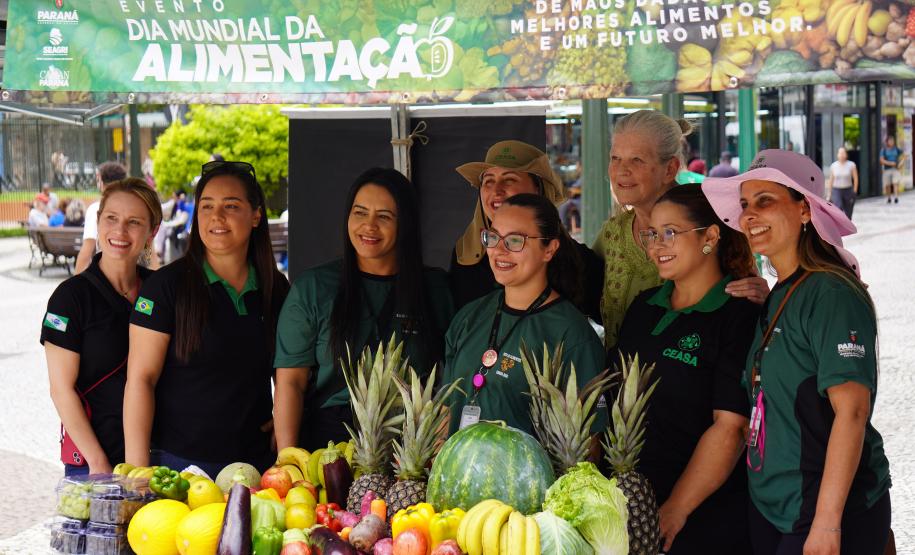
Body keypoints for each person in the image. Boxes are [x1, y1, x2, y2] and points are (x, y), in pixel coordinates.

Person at [703, 150, 892, 555]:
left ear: (805, 209)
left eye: (765, 201)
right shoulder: (780, 293)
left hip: (823, 515)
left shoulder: (831, 294)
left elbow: (853, 411)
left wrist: (827, 524)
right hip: (775, 506)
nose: (749, 215)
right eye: (744, 205)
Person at [614, 184, 758, 554]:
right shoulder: (644, 306)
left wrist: (675, 510)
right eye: (652, 234)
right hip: (628, 508)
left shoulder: (739, 315)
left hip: (701, 518)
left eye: (670, 233)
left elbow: (732, 427)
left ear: (710, 237)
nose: (656, 246)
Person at [124, 161, 289, 477]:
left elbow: (291, 374)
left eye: (231, 206)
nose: (217, 216)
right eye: (207, 206)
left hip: (254, 467)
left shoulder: (275, 287)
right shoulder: (166, 287)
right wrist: (136, 473)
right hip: (178, 468)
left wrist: (286, 419)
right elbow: (140, 380)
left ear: (256, 215)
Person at [273, 168, 453, 450]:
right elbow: (291, 383)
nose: (369, 226)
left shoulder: (436, 289)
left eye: (384, 216)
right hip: (330, 444)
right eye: (359, 213)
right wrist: (288, 460)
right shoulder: (314, 288)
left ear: (405, 224)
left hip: (409, 447)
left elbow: (456, 372)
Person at [594, 111, 769, 349]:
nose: (622, 170)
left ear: (670, 169)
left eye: (637, 160)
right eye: (615, 158)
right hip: (622, 379)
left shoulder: (707, 223)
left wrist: (762, 296)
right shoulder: (612, 233)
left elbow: (747, 297)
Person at [444, 193, 606, 436]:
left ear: (549, 249)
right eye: (493, 237)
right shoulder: (469, 316)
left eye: (515, 240)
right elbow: (446, 408)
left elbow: (588, 443)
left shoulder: (572, 335)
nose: (499, 250)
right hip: (454, 472)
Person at [41, 178, 162, 476]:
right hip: (95, 463)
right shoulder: (70, 297)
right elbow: (61, 390)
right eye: (111, 219)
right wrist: (98, 463)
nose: (120, 231)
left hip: (159, 458)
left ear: (152, 231)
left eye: (134, 222)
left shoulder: (160, 292)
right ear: (98, 222)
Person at [450, 140, 604, 323]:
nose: (496, 190)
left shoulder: (580, 262)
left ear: (538, 189)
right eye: (488, 181)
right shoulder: (465, 257)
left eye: (509, 179)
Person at [76, 162, 128, 273]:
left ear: (100, 181)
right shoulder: (138, 208)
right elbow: (150, 254)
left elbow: (87, 251)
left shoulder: (97, 209)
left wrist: (74, 286)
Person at [827, 147, 859, 219]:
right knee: (838, 208)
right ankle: (839, 227)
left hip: (848, 190)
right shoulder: (833, 166)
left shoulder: (851, 165)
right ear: (837, 155)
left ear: (846, 154)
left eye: (843, 153)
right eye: (840, 153)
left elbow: (856, 179)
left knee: (848, 212)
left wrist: (854, 192)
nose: (841, 155)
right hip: (837, 190)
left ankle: (847, 228)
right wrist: (829, 193)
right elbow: (831, 180)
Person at [879, 136, 902, 204]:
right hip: (887, 169)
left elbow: (904, 155)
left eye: (892, 141)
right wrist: (890, 163)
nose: (891, 142)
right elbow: (881, 160)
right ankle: (889, 197)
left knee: (895, 183)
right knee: (887, 184)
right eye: (890, 141)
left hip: (895, 169)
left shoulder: (896, 149)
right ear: (887, 142)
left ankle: (896, 197)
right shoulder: (884, 150)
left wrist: (901, 163)